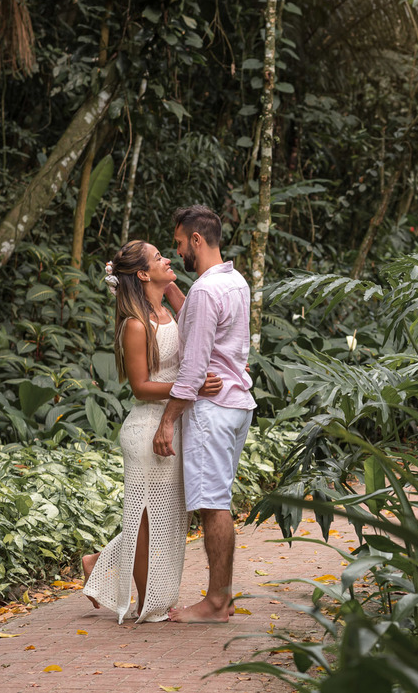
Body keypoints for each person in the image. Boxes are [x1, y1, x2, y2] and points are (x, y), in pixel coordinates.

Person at [81, 239, 221, 623]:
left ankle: (97, 562)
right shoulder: (135, 324)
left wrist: (167, 282)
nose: (168, 259)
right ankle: (145, 602)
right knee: (145, 521)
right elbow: (141, 386)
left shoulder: (166, 311)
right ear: (142, 273)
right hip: (146, 429)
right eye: (159, 258)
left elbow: (193, 310)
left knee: (160, 519)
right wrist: (190, 388)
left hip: (172, 423)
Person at [154, 205, 255, 624]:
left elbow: (193, 369)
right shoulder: (235, 281)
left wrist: (168, 420)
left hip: (211, 411)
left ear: (196, 239)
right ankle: (222, 598)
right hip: (237, 407)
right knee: (219, 500)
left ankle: (216, 602)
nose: (177, 252)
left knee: (213, 505)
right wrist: (169, 289)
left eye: (179, 243)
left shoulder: (204, 291)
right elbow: (199, 318)